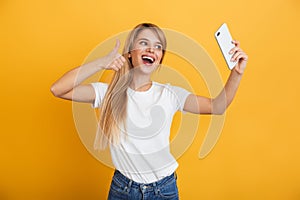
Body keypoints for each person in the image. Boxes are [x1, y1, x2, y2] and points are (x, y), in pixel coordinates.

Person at [50, 23, 248, 200]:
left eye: (158, 46)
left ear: (160, 58)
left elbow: (217, 106)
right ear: (129, 53)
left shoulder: (170, 94)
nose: (152, 49)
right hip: (123, 190)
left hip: (164, 190)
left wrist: (236, 74)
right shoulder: (108, 93)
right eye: (144, 43)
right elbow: (58, 89)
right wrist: (100, 63)